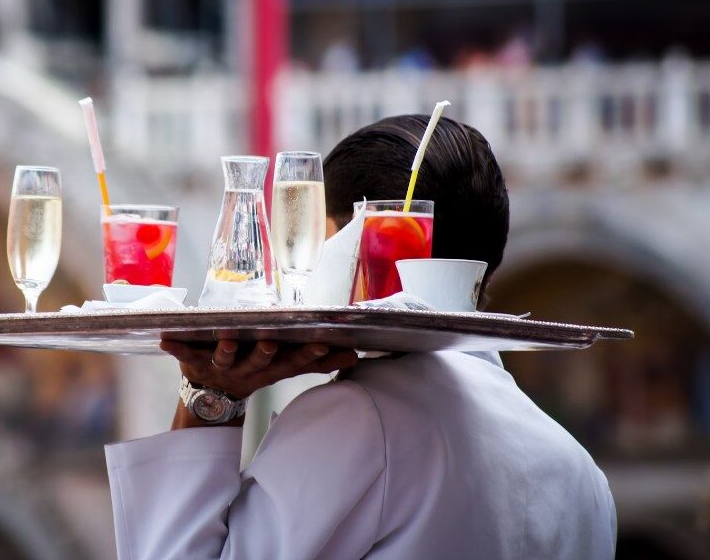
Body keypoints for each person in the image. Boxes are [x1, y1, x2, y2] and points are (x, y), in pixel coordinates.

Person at [104, 115, 617, 559]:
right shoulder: (581, 473)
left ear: (362, 248)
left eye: (318, 245)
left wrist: (208, 396)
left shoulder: (361, 420)